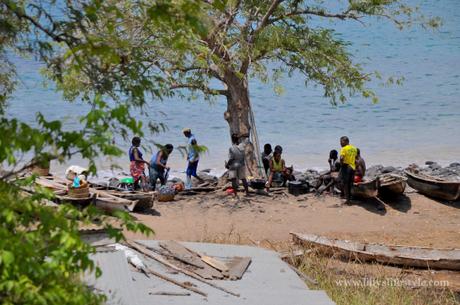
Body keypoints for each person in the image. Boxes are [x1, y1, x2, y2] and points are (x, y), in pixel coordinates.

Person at [339, 136, 358, 204]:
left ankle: (348, 200)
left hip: (346, 167)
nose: (340, 143)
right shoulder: (354, 148)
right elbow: (356, 159)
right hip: (352, 167)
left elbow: (341, 158)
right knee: (350, 183)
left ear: (346, 141)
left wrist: (341, 164)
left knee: (345, 184)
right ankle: (350, 198)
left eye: (341, 141)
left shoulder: (344, 149)